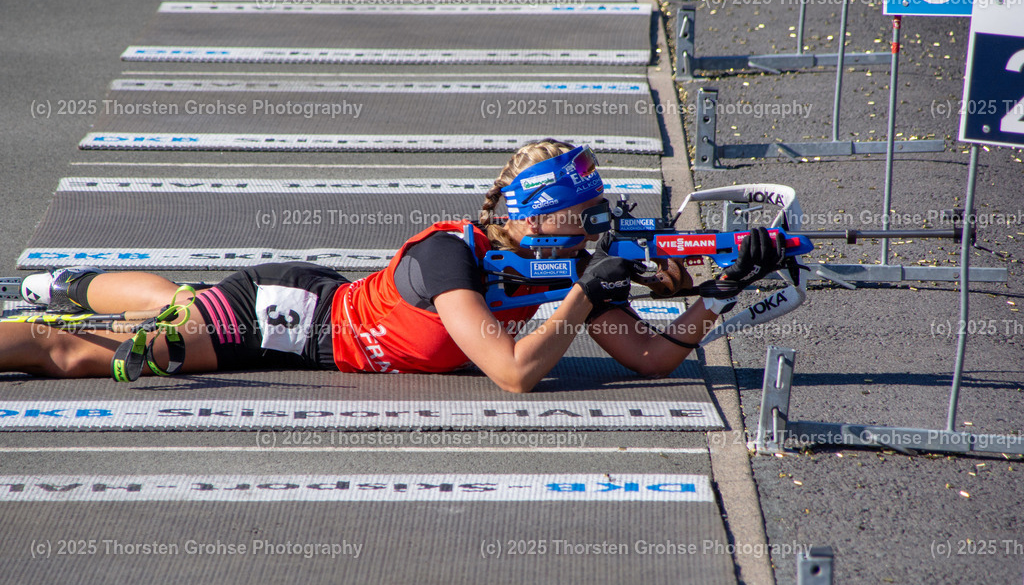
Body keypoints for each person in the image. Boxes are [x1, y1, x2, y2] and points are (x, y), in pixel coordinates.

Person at [2, 139, 783, 392]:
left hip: (320, 311)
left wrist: (722, 290)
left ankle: (66, 280)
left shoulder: (562, 264)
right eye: (585, 212)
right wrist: (584, 293)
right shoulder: (452, 256)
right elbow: (513, 372)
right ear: (541, 213)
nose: (597, 225)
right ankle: (45, 308)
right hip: (290, 317)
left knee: (177, 299)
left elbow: (650, 357)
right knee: (87, 351)